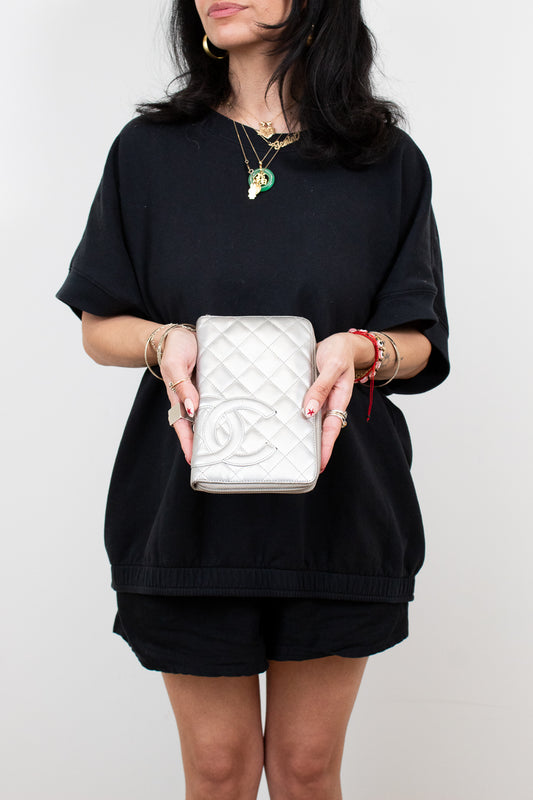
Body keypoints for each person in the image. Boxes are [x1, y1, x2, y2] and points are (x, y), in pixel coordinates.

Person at [56, 1, 449, 797]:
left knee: (306, 770)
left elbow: (420, 343)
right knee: (218, 768)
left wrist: (361, 350)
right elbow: (99, 327)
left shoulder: (386, 161)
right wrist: (163, 340)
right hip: (185, 504)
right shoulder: (148, 152)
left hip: (339, 505)